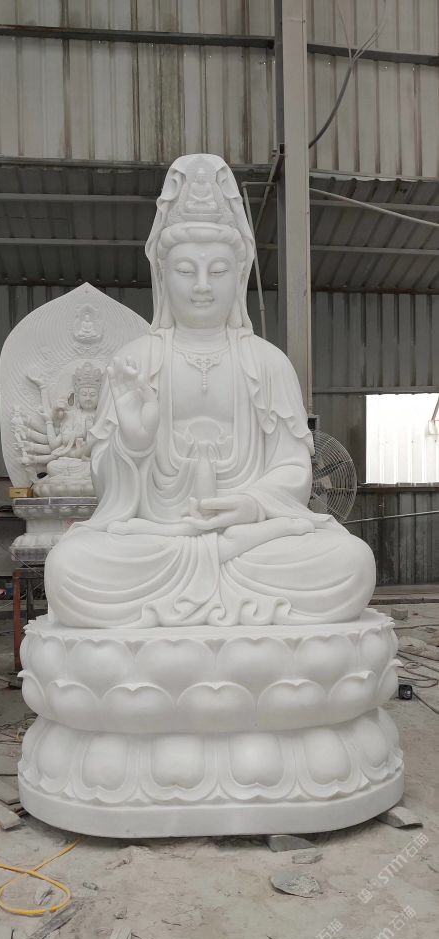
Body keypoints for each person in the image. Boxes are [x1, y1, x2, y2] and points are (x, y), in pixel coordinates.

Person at [45, 155, 375, 627]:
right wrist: (134, 441)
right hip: (161, 538)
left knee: (351, 563)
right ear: (163, 276)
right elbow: (107, 490)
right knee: (67, 568)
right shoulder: (135, 362)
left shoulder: (267, 362)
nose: (202, 287)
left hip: (249, 542)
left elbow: (293, 467)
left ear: (238, 277)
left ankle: (194, 604)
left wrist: (253, 504)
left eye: (217, 271)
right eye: (186, 271)